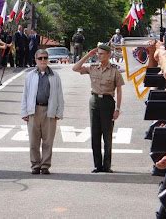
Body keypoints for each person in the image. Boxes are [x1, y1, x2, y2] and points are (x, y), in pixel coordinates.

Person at [72, 43, 125, 173]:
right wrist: (88, 55)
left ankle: (107, 165)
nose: (99, 56)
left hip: (108, 102)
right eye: (98, 53)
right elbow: (75, 68)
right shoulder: (93, 68)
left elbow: (119, 90)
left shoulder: (114, 71)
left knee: (107, 136)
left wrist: (117, 109)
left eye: (101, 54)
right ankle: (97, 165)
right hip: (94, 101)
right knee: (95, 134)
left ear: (108, 55)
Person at [21, 49, 64, 175]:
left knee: (48, 140)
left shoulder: (55, 76)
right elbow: (25, 94)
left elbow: (60, 95)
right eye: (40, 58)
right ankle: (35, 165)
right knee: (33, 141)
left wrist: (59, 112)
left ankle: (45, 165)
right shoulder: (30, 75)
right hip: (33, 110)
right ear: (36, 60)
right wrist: (24, 112)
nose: (43, 60)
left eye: (45, 58)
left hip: (49, 110)